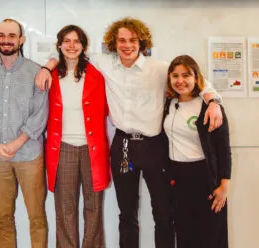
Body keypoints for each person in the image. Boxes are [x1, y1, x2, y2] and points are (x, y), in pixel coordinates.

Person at [36, 17, 223, 248]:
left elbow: (198, 81)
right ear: (114, 43)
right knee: (127, 214)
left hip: (154, 147)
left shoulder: (159, 68)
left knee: (163, 213)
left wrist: (213, 100)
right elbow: (69, 55)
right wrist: (47, 65)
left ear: (141, 42)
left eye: (132, 40)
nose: (127, 45)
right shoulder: (104, 63)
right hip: (124, 148)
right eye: (121, 40)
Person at [0, 18, 48, 248]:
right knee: (3, 218)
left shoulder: (36, 71)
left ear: (21, 40)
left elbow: (39, 114)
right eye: (1, 35)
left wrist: (17, 143)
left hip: (28, 155)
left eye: (11, 36)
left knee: (36, 216)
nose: (6, 40)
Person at [45, 25, 111, 248]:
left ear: (83, 46)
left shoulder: (96, 75)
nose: (72, 46)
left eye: (76, 41)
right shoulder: (50, 76)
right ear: (59, 45)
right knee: (65, 208)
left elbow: (106, 109)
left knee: (94, 207)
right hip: (63, 147)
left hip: (92, 148)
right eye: (67, 41)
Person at [163, 55, 231, 248]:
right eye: (175, 75)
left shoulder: (210, 108)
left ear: (196, 77)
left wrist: (224, 186)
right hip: (178, 178)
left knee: (210, 235)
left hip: (205, 177)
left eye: (186, 75)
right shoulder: (168, 103)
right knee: (185, 235)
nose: (180, 81)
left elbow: (223, 149)